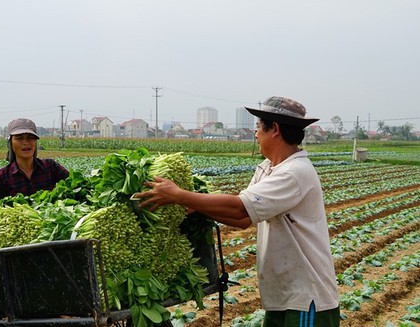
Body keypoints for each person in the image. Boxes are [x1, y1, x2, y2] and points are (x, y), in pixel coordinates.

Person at [136, 96, 340, 326]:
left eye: (257, 128)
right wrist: (197, 206)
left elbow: (240, 207)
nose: (255, 134)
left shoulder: (295, 172)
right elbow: (243, 219)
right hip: (284, 296)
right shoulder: (267, 168)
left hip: (307, 298)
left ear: (274, 129)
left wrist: (178, 195)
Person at [0, 118, 69, 203]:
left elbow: (73, 186)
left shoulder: (51, 167)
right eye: (19, 138)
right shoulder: (1, 177)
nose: (25, 142)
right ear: (10, 143)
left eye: (30, 138)